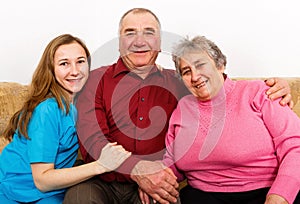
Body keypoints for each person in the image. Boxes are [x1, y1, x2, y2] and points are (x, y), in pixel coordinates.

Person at [63, 8, 293, 204]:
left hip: (156, 182)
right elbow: (94, 141)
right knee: (79, 198)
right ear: (120, 40)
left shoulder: (179, 81)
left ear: (160, 43)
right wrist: (137, 169)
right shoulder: (94, 80)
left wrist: (277, 86)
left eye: (149, 33)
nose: (139, 40)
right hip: (104, 180)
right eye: (130, 33)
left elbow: (214, 84)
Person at [160, 35, 300, 204]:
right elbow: (172, 161)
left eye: (201, 65)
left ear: (220, 65)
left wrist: (279, 196)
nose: (195, 76)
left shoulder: (259, 92)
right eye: (187, 71)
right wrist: (155, 179)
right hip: (202, 195)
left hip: (265, 191)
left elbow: (295, 147)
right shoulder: (183, 108)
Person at [0, 34, 131, 204]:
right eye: (64, 64)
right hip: (22, 192)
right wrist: (101, 165)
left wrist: (151, 68)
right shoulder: (48, 110)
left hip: (55, 190)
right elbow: (42, 180)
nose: (75, 71)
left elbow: (113, 74)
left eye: (80, 61)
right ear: (51, 70)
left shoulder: (85, 98)